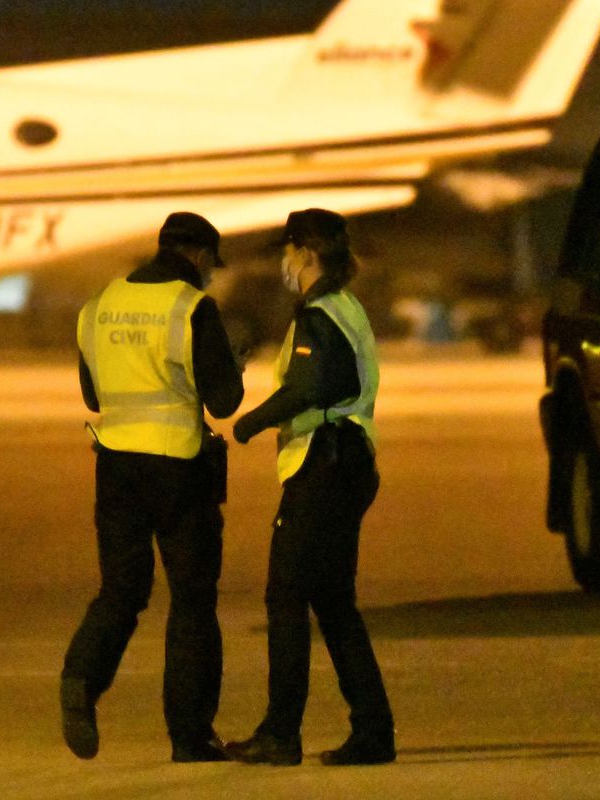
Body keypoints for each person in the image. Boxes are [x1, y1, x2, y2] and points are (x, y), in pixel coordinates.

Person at [60, 211, 245, 763]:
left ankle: (81, 680)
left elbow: (94, 397)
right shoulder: (192, 307)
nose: (212, 274)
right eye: (212, 263)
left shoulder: (100, 305)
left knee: (121, 591)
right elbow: (225, 403)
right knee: (191, 600)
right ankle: (190, 736)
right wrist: (231, 365)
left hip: (115, 467)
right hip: (178, 468)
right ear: (198, 255)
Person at [226, 208, 395, 767]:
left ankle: (281, 732)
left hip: (323, 466)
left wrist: (251, 422)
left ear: (306, 253)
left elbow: (316, 382)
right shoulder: (346, 308)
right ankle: (373, 730)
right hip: (348, 462)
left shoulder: (319, 314)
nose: (283, 260)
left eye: (287, 250)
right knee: (333, 601)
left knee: (286, 594)